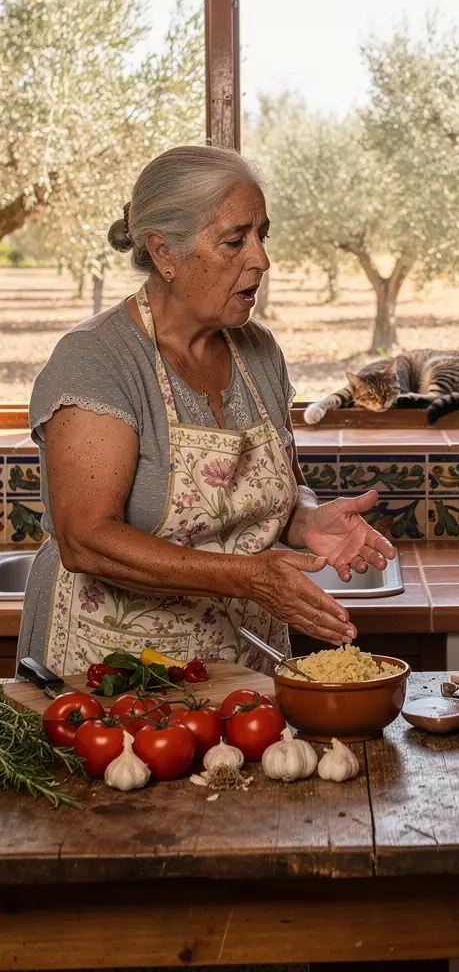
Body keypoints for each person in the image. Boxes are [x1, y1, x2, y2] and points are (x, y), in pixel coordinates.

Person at [19, 145, 394, 674]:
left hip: (241, 667)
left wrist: (307, 519)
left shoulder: (258, 352)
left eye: (263, 235)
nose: (261, 259)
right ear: (164, 253)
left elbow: (283, 488)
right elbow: (87, 540)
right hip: (109, 674)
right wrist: (248, 577)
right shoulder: (98, 359)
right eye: (235, 240)